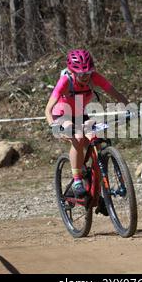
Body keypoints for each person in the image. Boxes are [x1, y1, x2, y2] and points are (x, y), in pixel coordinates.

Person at [45, 49, 129, 200]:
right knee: (77, 137)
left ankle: (95, 181)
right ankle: (77, 179)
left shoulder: (94, 77)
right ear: (72, 71)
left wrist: (129, 107)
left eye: (88, 72)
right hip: (61, 114)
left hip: (80, 113)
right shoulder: (65, 81)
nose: (85, 77)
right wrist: (54, 125)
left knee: (94, 137)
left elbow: (114, 93)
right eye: (80, 74)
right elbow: (48, 109)